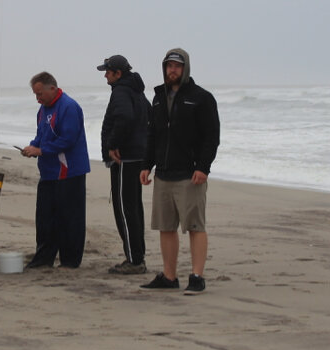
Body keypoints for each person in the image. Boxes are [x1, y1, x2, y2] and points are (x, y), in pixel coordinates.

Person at [139, 48, 220, 294]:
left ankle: (197, 276)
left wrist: (203, 168)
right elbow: (153, 134)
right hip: (163, 173)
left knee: (195, 226)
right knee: (166, 227)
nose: (172, 70)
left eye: (177, 66)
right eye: (168, 65)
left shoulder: (201, 98)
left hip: (190, 175)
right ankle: (169, 276)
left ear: (185, 69)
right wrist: (146, 165)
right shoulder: (157, 97)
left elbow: (211, 137)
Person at [21, 72, 90, 269]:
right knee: (44, 217)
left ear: (53, 88)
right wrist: (31, 147)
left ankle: (70, 260)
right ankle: (44, 258)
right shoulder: (42, 110)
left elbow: (68, 139)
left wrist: (41, 150)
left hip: (69, 172)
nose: (38, 99)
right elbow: (41, 135)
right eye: (35, 95)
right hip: (48, 172)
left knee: (70, 218)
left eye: (40, 94)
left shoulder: (69, 107)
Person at [97, 54, 148, 274]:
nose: (106, 76)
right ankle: (137, 256)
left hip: (125, 158)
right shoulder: (137, 91)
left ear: (119, 73)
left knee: (125, 209)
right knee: (134, 207)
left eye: (108, 72)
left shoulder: (121, 91)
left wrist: (112, 144)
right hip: (138, 156)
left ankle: (135, 260)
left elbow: (125, 118)